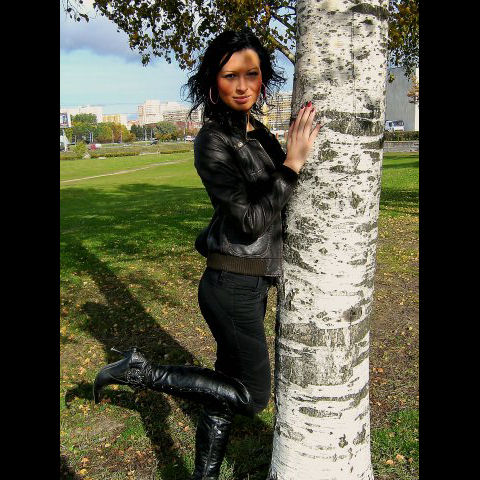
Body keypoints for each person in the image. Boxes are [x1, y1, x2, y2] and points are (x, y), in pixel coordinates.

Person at [93, 27, 322, 479]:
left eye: (251, 74)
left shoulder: (257, 131)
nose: (242, 86)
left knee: (221, 391)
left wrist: (286, 156)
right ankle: (139, 371)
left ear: (263, 76)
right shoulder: (212, 140)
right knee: (252, 397)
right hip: (232, 284)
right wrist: (293, 162)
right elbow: (249, 221)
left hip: (248, 281)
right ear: (213, 82)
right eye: (230, 76)